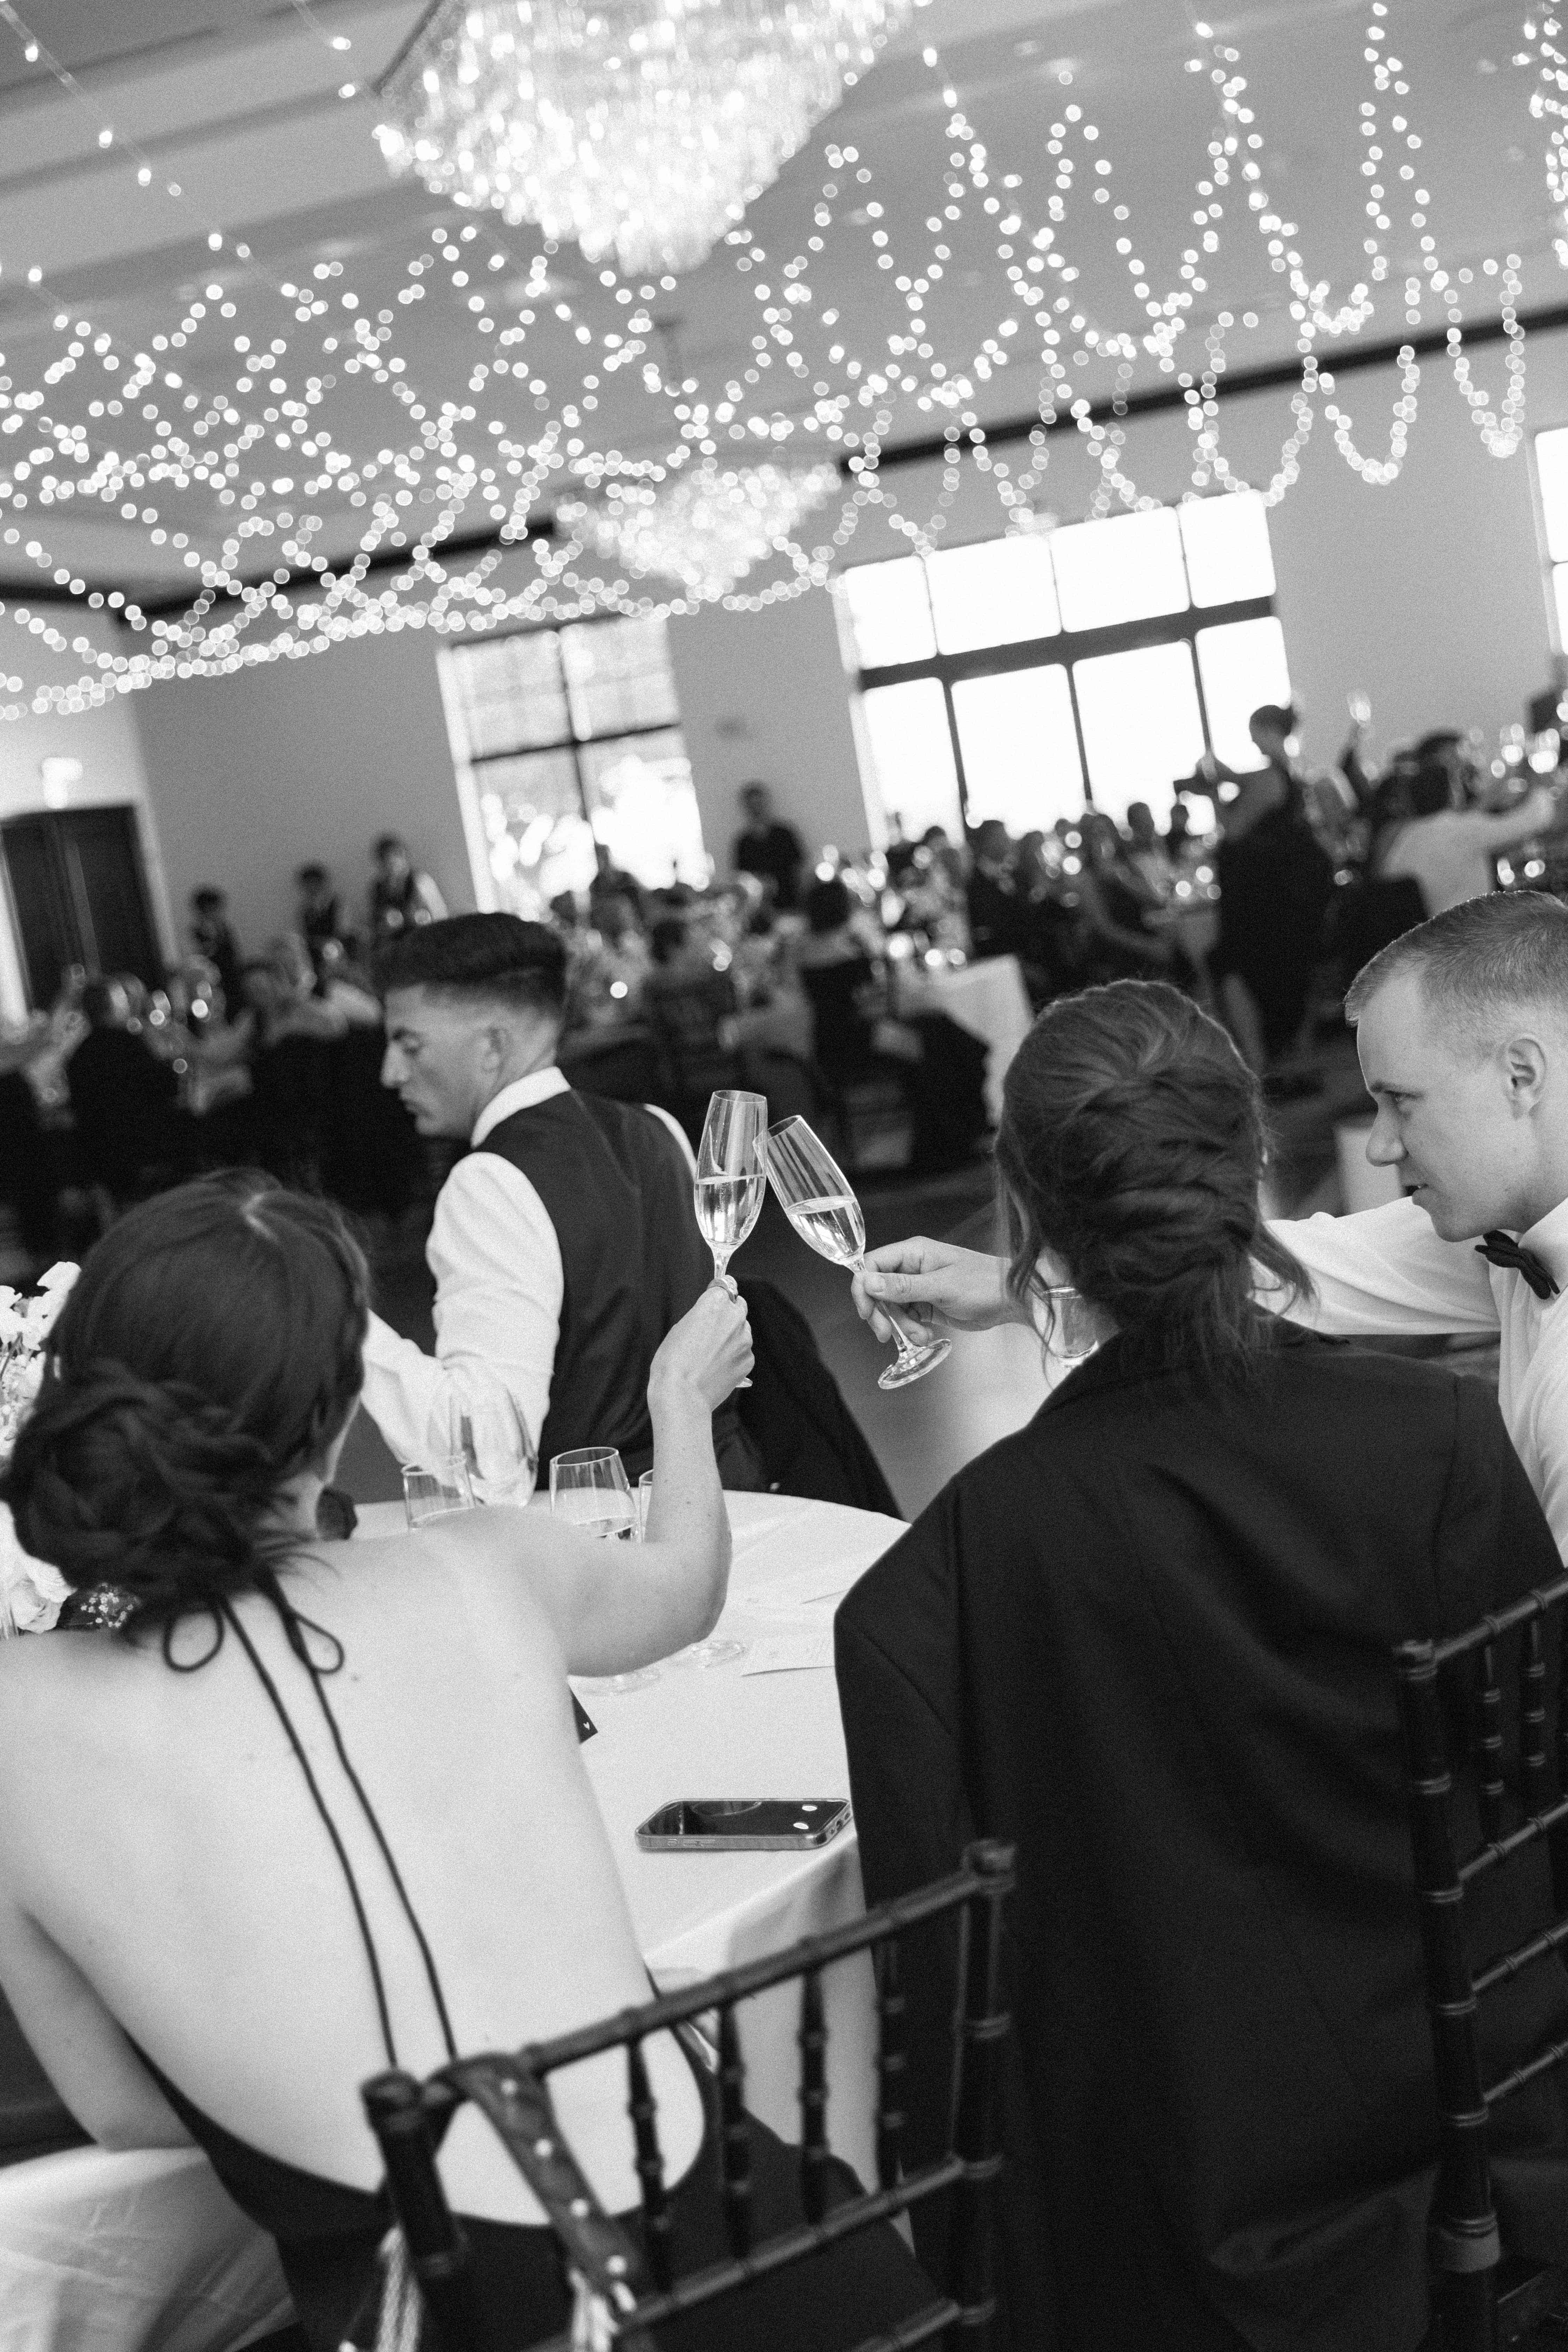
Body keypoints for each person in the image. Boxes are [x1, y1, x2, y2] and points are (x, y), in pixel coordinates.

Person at [0, 1178, 933, 2352]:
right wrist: (677, 1405)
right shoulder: (479, 1566)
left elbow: (126, 2112)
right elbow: (685, 1589)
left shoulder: (20, 1714)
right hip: (800, 2269)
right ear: (337, 1415)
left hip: (461, 2311)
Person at [839, 980, 1568, 2351]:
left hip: (1140, 2233)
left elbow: (949, 2030)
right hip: (1457, 2166)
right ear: (1253, 1167)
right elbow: (1539, 1826)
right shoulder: (1434, 1451)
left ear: (1030, 1218)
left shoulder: (942, 1580)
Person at [854, 891, 1568, 1561]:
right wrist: (1022, 1286)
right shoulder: (1510, 1233)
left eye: (1400, 1102)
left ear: (1520, 1076)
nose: (1380, 1145)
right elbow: (1298, 1266)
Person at [365, 913, 764, 1488]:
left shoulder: (489, 1183)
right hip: (727, 1498)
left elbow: (491, 1459)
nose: (390, 1072)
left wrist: (343, 1327)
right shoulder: (656, 1129)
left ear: (492, 1048)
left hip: (607, 1547)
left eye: (409, 1044)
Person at [1374, 752, 1558, 917]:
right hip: (1468, 938)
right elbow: (1536, 819)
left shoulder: (1403, 837)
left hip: (1421, 942)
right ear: (1451, 793)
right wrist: (1540, 784)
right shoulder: (1461, 829)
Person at [731, 781, 805, 913]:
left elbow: (799, 865)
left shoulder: (785, 833)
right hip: (759, 910)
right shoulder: (743, 842)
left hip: (790, 902)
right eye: (752, 805)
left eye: (759, 804)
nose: (757, 809)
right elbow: (742, 876)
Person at [964, 820, 1032, 962]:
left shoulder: (1016, 874)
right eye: (1001, 837)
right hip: (1004, 962)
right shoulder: (975, 886)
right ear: (987, 842)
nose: (1007, 840)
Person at [368, 834, 447, 950]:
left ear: (403, 857)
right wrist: (386, 925)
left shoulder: (420, 881)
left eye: (393, 860)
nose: (390, 867)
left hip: (422, 942)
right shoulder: (378, 888)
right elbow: (373, 924)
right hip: (394, 946)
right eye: (385, 863)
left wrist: (415, 918)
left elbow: (440, 916)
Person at [188, 887, 243, 1017]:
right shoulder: (195, 935)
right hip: (209, 989)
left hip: (233, 985)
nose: (218, 914)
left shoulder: (226, 930)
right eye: (214, 910)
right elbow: (197, 963)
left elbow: (236, 957)